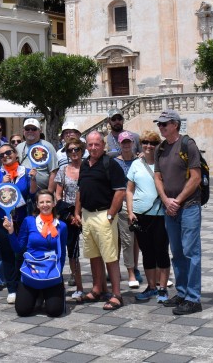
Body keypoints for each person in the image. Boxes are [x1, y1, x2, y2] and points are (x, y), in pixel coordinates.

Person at [154, 109, 204, 315]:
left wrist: (178, 200)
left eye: (165, 124)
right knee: (177, 252)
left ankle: (193, 298)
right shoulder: (160, 148)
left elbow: (196, 177)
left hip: (189, 205)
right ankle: (182, 292)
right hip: (169, 207)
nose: (161, 127)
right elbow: (157, 177)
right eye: (159, 124)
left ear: (175, 124)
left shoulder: (188, 145)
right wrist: (166, 200)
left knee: (191, 252)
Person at [74, 131, 126, 311]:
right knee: (93, 254)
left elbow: (120, 191)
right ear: (86, 146)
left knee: (110, 256)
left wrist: (111, 214)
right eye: (90, 145)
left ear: (103, 145)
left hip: (104, 215)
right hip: (87, 215)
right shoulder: (84, 165)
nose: (93, 148)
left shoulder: (111, 164)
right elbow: (81, 190)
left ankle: (117, 294)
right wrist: (77, 212)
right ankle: (97, 288)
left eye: (97, 144)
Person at [4, 189, 67, 318]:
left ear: (54, 203)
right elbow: (18, 248)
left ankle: (47, 292)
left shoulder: (62, 226)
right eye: (42, 202)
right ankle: (38, 293)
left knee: (54, 311)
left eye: (48, 201)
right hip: (31, 271)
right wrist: (11, 231)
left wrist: (58, 274)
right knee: (22, 310)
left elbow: (62, 253)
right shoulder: (29, 221)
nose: (45, 205)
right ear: (37, 205)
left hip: (51, 273)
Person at [0, 142, 36, 304]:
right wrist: (2, 184)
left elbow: (32, 195)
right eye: (1, 155)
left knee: (21, 252)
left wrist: (33, 179)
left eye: (8, 152)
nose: (5, 156)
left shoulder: (26, 172)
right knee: (7, 254)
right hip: (1, 219)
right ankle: (12, 288)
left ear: (16, 154)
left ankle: (23, 284)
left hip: (21, 219)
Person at [128, 131, 171, 304]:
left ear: (158, 145)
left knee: (161, 251)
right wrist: (130, 212)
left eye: (152, 143)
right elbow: (129, 190)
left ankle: (162, 288)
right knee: (147, 252)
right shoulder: (136, 165)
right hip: (140, 215)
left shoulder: (164, 163)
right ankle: (151, 286)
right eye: (145, 142)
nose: (148, 146)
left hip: (160, 214)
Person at [54, 136, 86, 300]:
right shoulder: (63, 170)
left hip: (87, 210)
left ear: (82, 151)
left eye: (77, 149)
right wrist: (69, 215)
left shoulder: (88, 167)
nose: (74, 152)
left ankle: (99, 284)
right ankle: (77, 283)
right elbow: (58, 195)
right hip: (68, 212)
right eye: (70, 150)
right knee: (71, 249)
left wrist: (80, 213)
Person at [114, 131, 141, 289]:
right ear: (119, 143)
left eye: (128, 142)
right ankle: (129, 271)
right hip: (121, 204)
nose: (126, 145)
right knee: (125, 240)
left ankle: (136, 269)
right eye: (123, 142)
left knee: (137, 240)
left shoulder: (139, 161)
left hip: (138, 203)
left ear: (132, 143)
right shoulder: (114, 162)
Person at [16, 118, 58, 193]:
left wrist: (49, 193)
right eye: (27, 129)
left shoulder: (48, 146)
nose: (30, 131)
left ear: (40, 130)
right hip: (22, 191)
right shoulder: (18, 147)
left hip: (41, 192)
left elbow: (53, 171)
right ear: (23, 131)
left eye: (34, 129)